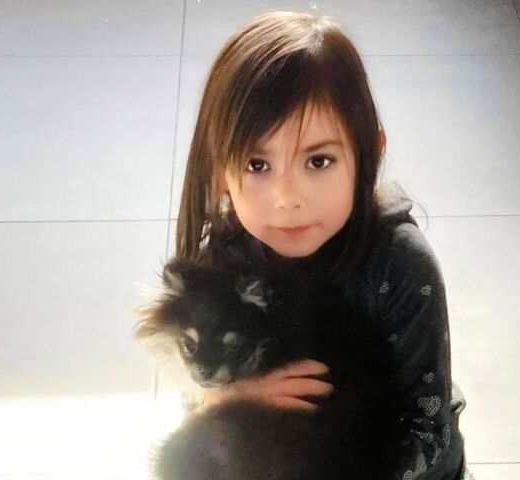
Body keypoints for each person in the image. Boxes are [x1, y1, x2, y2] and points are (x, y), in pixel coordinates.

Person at [172, 10, 473, 480]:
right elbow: (199, 392)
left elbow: (427, 429)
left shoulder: (398, 263)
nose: (287, 198)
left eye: (318, 161)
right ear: (219, 172)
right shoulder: (221, 262)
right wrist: (228, 397)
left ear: (369, 153)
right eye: (257, 165)